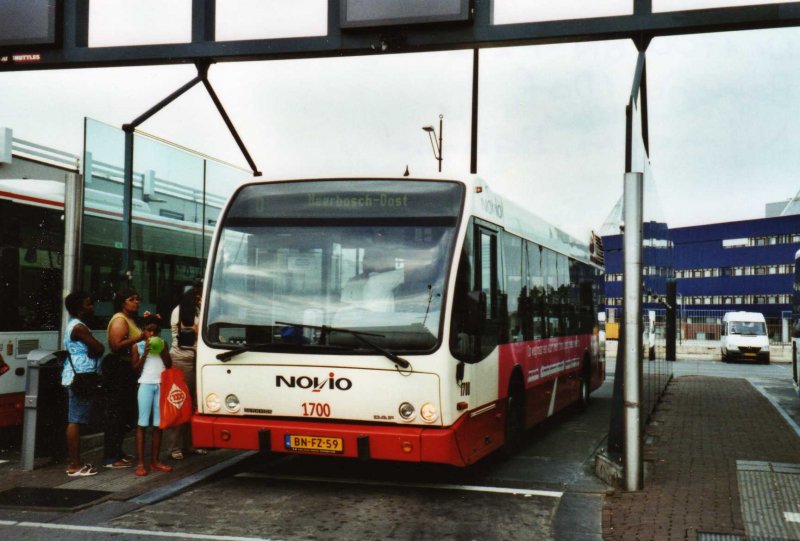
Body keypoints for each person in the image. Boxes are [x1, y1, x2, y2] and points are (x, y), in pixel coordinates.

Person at [62, 291, 105, 477]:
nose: (92, 307)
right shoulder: (79, 328)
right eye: (88, 304)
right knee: (76, 420)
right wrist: (95, 351)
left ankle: (76, 462)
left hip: (78, 374)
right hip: (80, 376)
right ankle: (75, 465)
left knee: (77, 418)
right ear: (80, 308)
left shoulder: (75, 325)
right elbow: (99, 347)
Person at [103, 287, 145, 469]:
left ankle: (117, 452)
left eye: (137, 298)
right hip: (119, 369)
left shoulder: (130, 319)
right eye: (131, 299)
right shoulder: (120, 320)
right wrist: (140, 338)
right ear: (122, 302)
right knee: (117, 412)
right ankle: (111, 457)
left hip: (128, 369)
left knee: (125, 412)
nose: (136, 302)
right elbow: (116, 345)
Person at [166, 279, 207, 460]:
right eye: (197, 294)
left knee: (193, 405)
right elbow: (192, 334)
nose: (199, 297)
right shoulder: (179, 312)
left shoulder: (195, 311)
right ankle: (175, 447)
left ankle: (190, 444)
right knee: (181, 403)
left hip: (195, 359)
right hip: (182, 360)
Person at [131, 311, 173, 476]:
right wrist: (146, 352)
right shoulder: (138, 346)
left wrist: (162, 350)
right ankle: (141, 463)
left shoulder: (163, 343)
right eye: (149, 330)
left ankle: (155, 461)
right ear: (143, 331)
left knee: (158, 425)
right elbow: (135, 369)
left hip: (160, 384)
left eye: (155, 331)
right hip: (145, 384)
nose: (152, 334)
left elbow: (169, 365)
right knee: (142, 424)